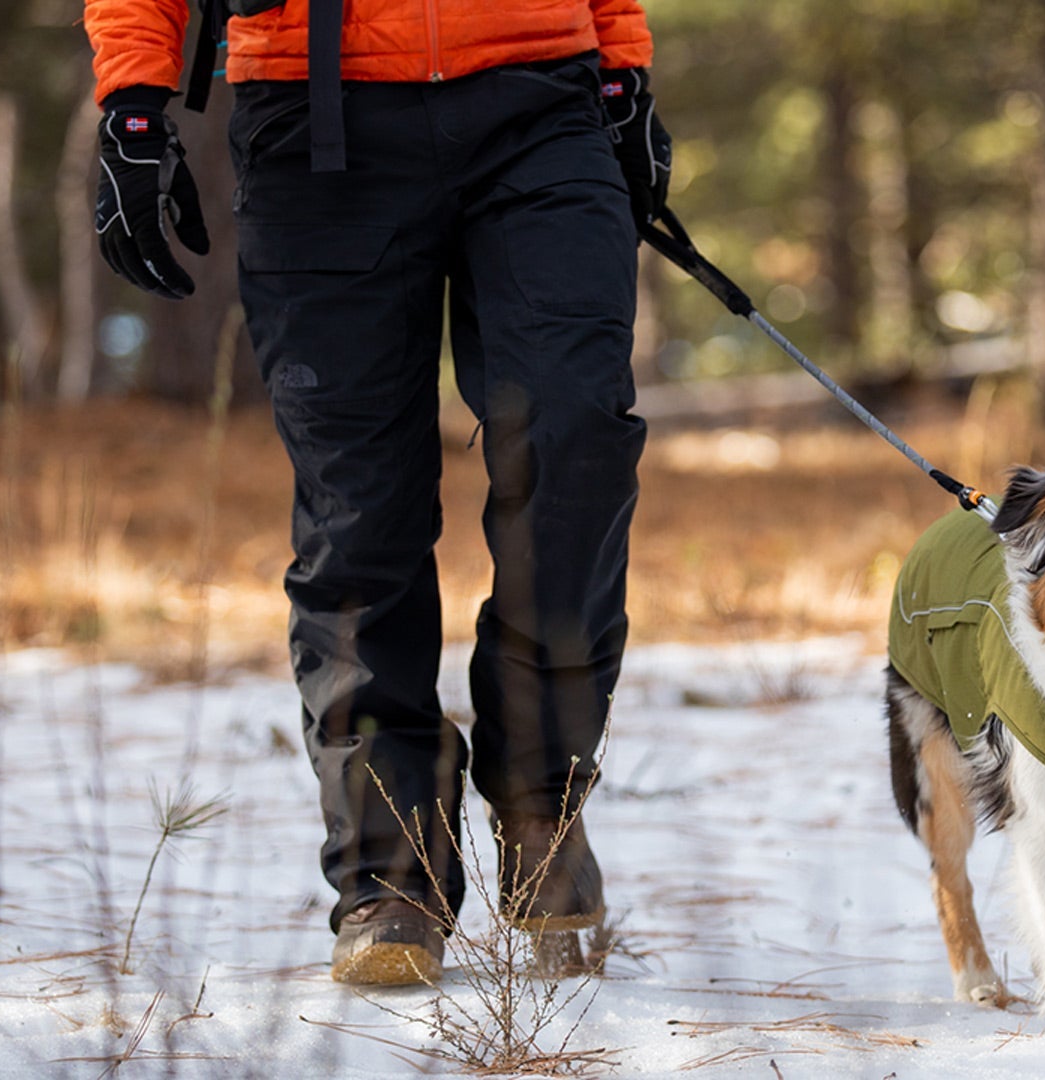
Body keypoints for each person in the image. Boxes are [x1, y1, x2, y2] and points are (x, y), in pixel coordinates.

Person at [83, 0, 671, 985]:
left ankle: (540, 799)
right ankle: (389, 869)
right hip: (315, 118)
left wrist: (621, 63)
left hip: (540, 100)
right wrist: (134, 102)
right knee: (361, 513)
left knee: (576, 441)